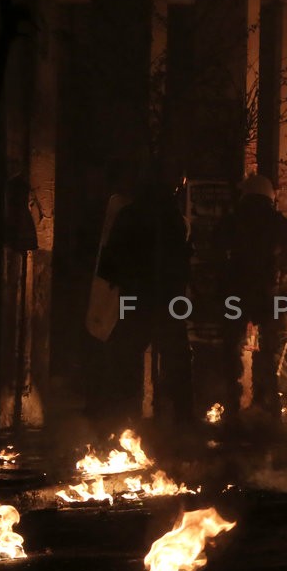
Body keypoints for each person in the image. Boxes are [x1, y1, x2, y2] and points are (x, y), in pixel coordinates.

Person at [97, 170, 194, 432]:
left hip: (137, 298)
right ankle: (182, 419)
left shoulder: (129, 216)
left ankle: (121, 417)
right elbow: (181, 261)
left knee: (125, 355)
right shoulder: (173, 218)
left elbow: (110, 261)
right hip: (167, 300)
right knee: (176, 358)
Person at [220, 174, 287, 417]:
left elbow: (216, 252)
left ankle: (232, 407)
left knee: (231, 351)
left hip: (235, 295)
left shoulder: (231, 222)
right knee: (269, 353)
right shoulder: (283, 225)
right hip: (271, 297)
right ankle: (266, 406)